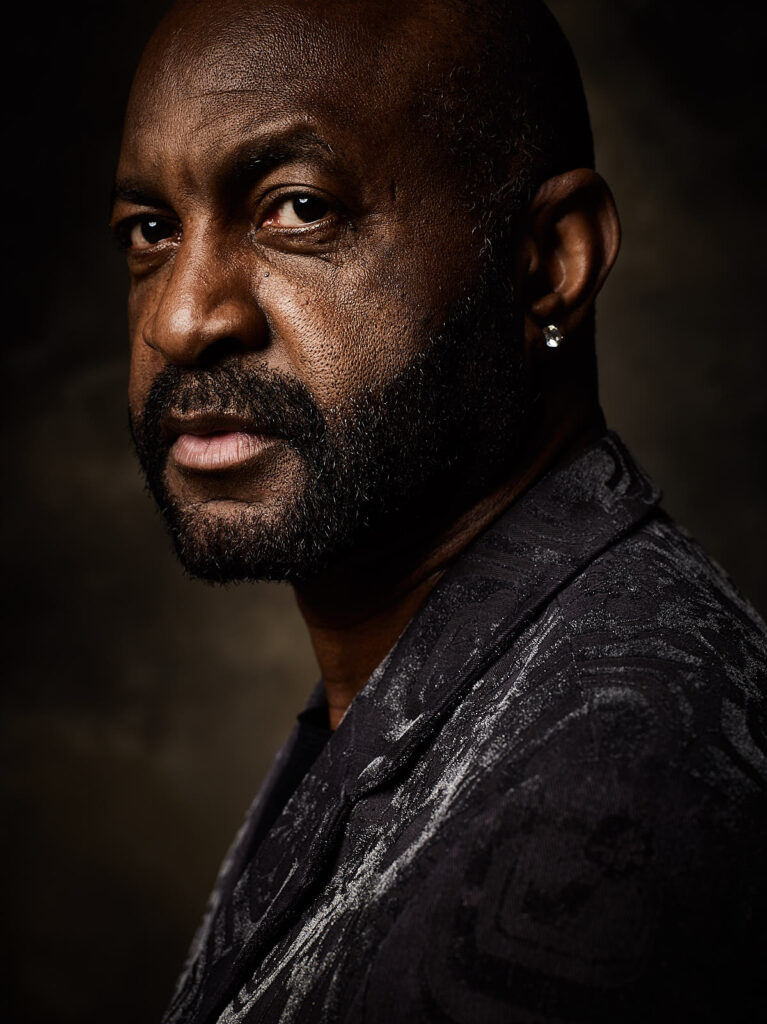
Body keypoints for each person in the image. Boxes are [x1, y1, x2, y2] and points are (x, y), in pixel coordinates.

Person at [110, 0, 767, 1020]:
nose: (184, 316)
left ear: (548, 261)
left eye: (297, 209)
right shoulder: (432, 686)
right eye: (151, 231)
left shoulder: (615, 796)